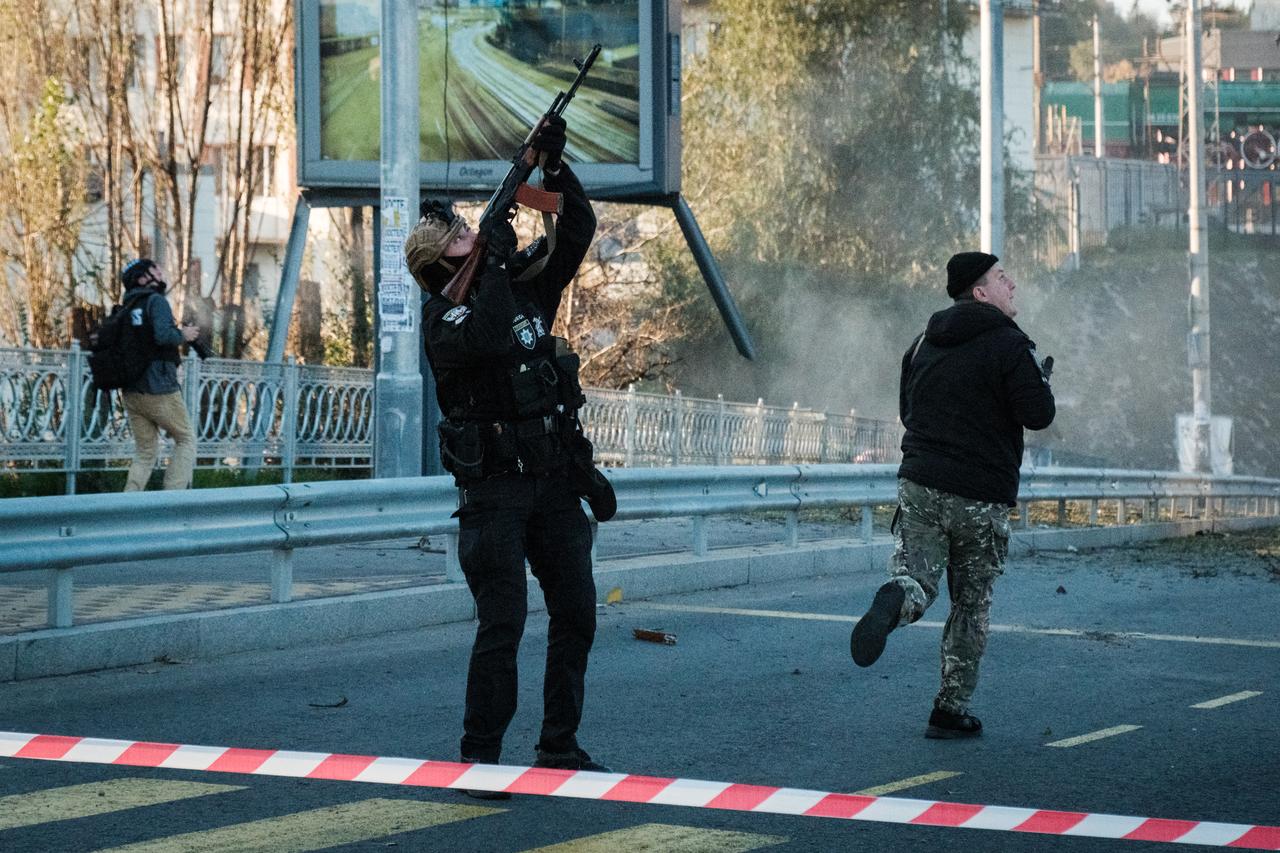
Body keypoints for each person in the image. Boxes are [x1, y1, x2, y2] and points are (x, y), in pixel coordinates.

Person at [403, 115, 615, 791]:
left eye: (475, 226)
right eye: (464, 235)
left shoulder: (515, 284)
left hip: (551, 481)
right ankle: (481, 754)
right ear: (445, 264)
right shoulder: (445, 320)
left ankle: (559, 743)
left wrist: (552, 168)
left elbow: (575, 233)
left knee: (577, 609)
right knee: (505, 621)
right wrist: (491, 258)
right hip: (493, 492)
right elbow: (490, 332)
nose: (478, 231)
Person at [850, 252, 1055, 739]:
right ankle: (950, 708)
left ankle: (896, 598)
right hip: (979, 496)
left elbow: (907, 409)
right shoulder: (1010, 344)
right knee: (970, 604)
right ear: (980, 293)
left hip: (919, 482)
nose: (1013, 284)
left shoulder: (923, 342)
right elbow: (1039, 414)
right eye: (1003, 279)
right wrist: (1040, 380)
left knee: (918, 579)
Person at [118, 259, 201, 492]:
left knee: (145, 451)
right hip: (159, 388)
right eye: (155, 269)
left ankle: (126, 504)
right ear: (143, 278)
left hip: (132, 389)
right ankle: (171, 499)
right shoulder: (156, 301)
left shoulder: (127, 305)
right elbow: (163, 336)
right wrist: (183, 334)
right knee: (186, 439)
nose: (161, 271)